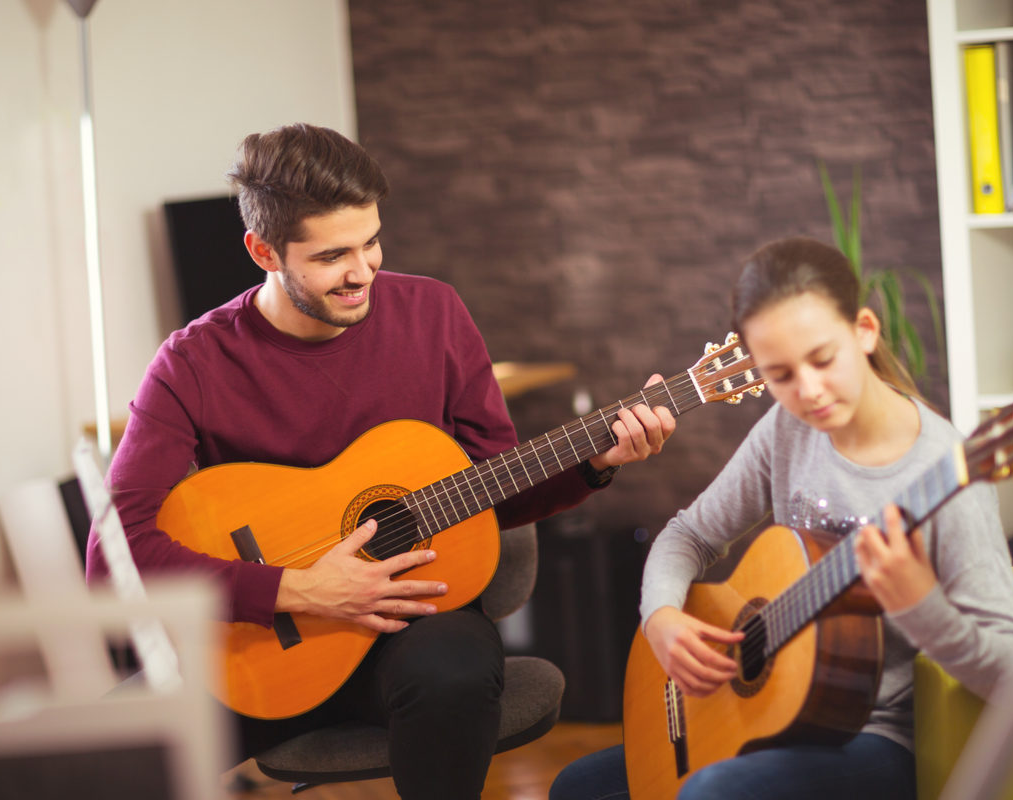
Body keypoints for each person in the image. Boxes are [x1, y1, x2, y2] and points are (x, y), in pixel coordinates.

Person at [84, 122, 677, 800]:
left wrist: (594, 463)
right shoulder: (192, 362)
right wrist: (298, 590)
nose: (363, 272)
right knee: (92, 757)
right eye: (333, 255)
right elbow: (113, 559)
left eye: (371, 242)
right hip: (262, 645)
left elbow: (491, 488)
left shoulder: (434, 313)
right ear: (263, 250)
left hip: (416, 628)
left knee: (453, 672)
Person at [549, 236, 1013, 800]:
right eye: (779, 375)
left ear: (864, 331)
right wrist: (660, 615)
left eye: (823, 359)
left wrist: (920, 605)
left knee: (713, 794)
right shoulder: (787, 431)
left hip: (875, 740)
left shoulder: (947, 476)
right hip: (764, 713)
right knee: (578, 787)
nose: (808, 391)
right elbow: (688, 533)